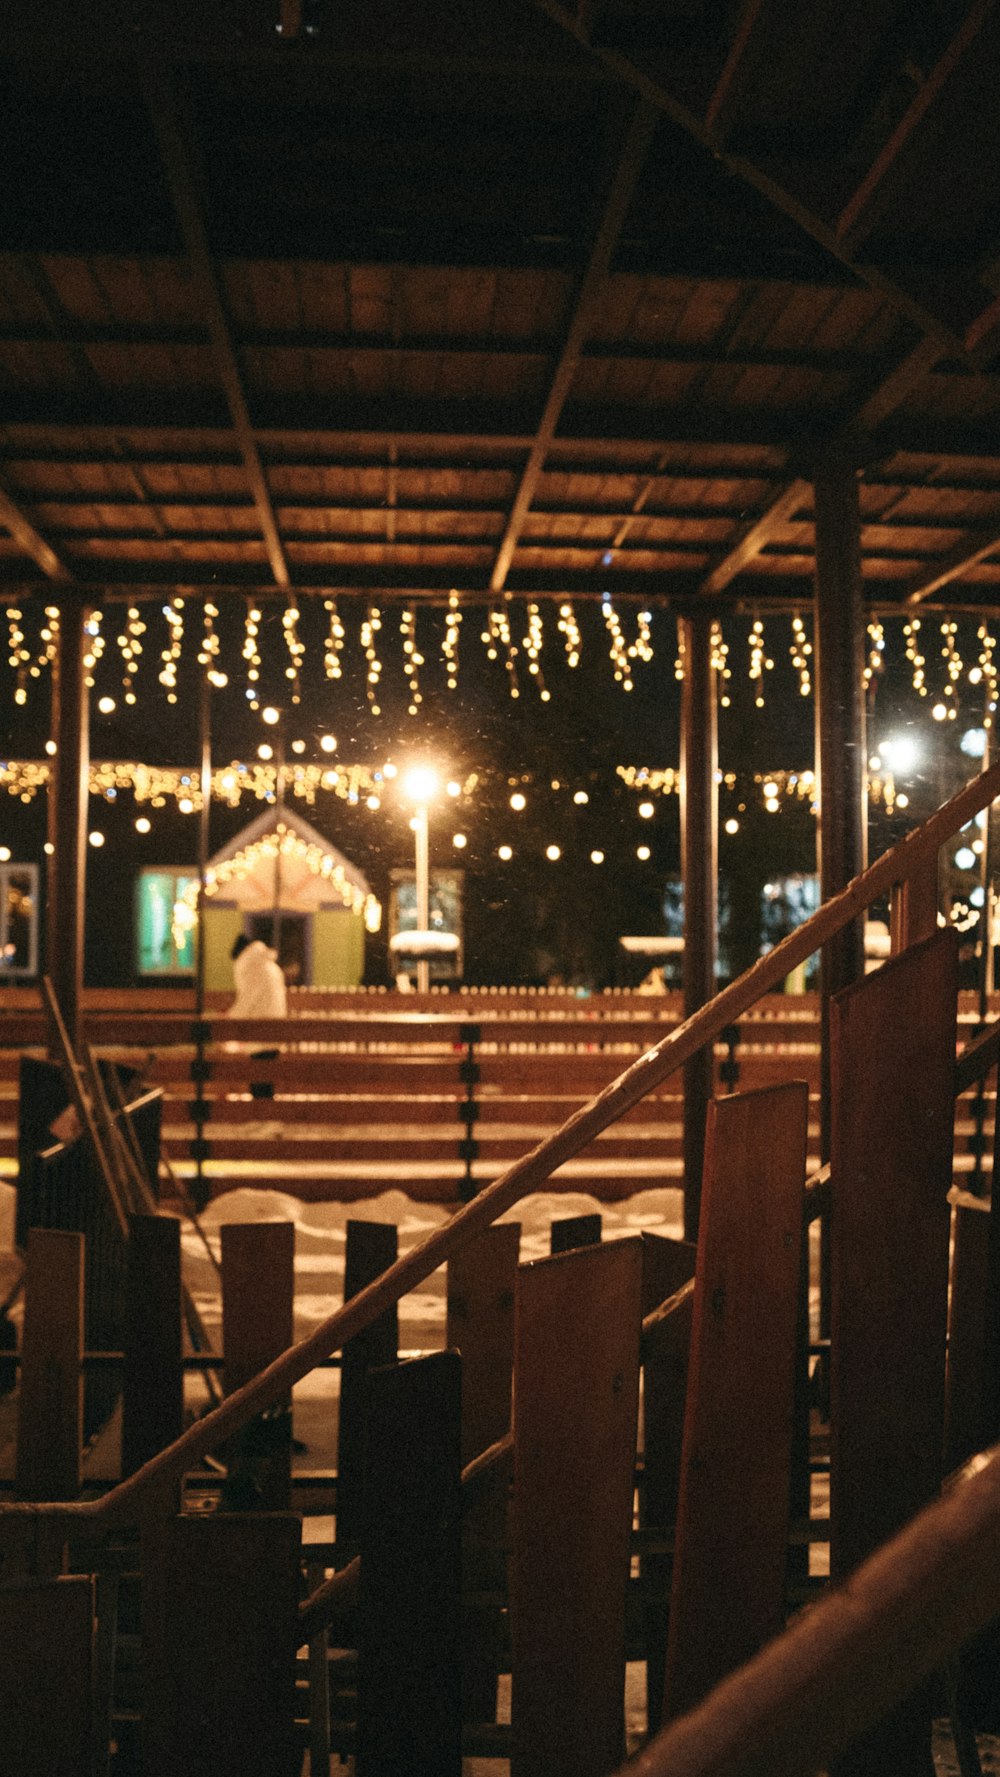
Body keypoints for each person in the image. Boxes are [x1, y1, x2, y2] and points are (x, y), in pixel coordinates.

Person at [229, 932, 288, 1019]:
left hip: (258, 1020)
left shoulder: (248, 965)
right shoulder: (271, 965)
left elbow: (249, 997)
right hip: (278, 1017)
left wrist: (232, 1015)